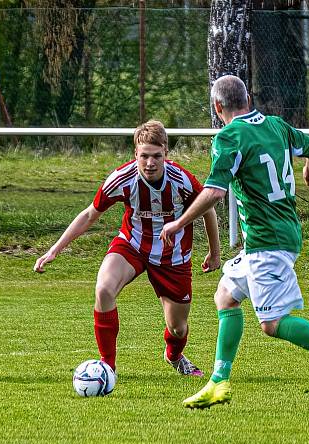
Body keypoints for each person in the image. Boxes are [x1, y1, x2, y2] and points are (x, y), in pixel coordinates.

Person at [160, 75, 309, 408]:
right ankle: (219, 382)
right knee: (226, 296)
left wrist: (178, 222)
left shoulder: (230, 137)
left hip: (267, 241)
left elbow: (215, 192)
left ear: (218, 107)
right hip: (280, 233)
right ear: (247, 98)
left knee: (272, 324)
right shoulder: (276, 125)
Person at [34, 120, 221, 376]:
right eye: (144, 156)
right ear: (136, 155)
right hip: (132, 245)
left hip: (172, 255)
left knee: (178, 328)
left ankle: (174, 355)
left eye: (156, 156)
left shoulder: (181, 180)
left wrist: (215, 252)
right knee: (103, 289)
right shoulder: (123, 178)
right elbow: (90, 214)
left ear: (166, 153)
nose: (150, 163)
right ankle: (107, 367)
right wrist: (55, 249)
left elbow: (208, 209)